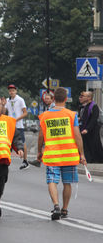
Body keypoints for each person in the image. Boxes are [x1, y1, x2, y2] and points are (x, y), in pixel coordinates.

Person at [37, 87, 86, 220]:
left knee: (52, 180)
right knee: (67, 183)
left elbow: (41, 135)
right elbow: (77, 135)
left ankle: (56, 205)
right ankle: (64, 209)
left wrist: (39, 151)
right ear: (65, 99)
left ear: (53, 99)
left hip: (52, 155)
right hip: (69, 155)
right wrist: (81, 154)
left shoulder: (45, 116)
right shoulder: (71, 114)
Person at [6, 84, 29, 170]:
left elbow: (25, 112)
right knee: (8, 143)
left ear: (16, 91)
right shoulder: (8, 100)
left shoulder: (20, 100)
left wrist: (16, 119)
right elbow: (5, 111)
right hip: (9, 125)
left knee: (22, 142)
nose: (11, 92)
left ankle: (25, 160)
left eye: (13, 90)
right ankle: (6, 160)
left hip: (18, 125)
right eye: (10, 90)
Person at [78, 91, 103, 163]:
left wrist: (87, 129)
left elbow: (94, 119)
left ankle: (97, 160)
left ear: (89, 97)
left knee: (94, 144)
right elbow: (84, 117)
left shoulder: (94, 106)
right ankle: (89, 159)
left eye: (84, 96)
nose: (82, 97)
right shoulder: (85, 106)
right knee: (86, 145)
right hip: (85, 128)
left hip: (93, 129)